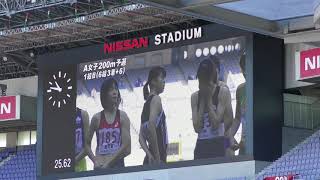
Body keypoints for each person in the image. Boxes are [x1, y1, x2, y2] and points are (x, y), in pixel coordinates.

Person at [191, 58, 233, 159]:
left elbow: (218, 125)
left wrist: (208, 99)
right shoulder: (195, 96)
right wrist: (203, 101)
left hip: (219, 143)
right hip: (201, 144)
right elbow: (197, 128)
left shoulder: (223, 91)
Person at [87, 78, 131, 169]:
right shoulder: (96, 118)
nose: (115, 92)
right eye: (111, 90)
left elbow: (126, 145)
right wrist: (95, 160)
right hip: (100, 166)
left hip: (117, 166)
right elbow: (87, 144)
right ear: (104, 94)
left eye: (116, 89)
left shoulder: (123, 116)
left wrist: (109, 162)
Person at [139, 66, 168, 165]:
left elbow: (140, 137)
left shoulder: (145, 104)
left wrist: (149, 154)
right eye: (162, 78)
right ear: (153, 81)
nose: (164, 82)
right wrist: (157, 157)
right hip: (158, 157)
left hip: (149, 158)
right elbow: (151, 126)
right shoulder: (156, 99)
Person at [227, 53, 246, 155]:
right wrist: (230, 136)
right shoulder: (240, 90)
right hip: (244, 145)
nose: (245, 72)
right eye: (243, 69)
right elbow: (238, 118)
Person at [75, 107, 90, 172]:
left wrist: (75, 160)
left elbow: (88, 147)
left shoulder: (83, 114)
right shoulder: (59, 116)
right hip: (64, 162)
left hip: (80, 160)